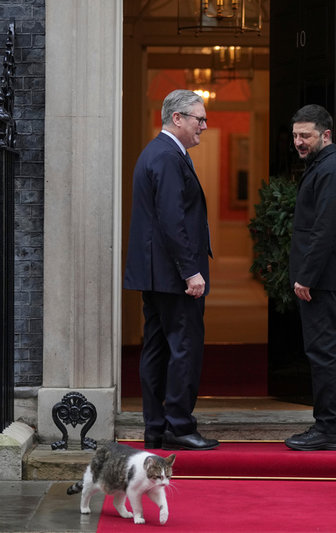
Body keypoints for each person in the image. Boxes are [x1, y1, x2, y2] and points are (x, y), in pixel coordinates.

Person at [123, 89, 218, 451]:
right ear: (177, 118)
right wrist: (191, 271)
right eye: (199, 118)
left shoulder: (160, 152)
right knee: (184, 347)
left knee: (157, 349)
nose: (204, 126)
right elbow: (171, 220)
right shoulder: (166, 156)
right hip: (173, 276)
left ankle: (156, 427)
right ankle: (178, 425)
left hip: (156, 274)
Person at [285, 104, 336, 451]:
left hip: (322, 281)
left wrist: (305, 277)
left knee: (324, 353)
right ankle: (324, 426)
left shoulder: (333, 171)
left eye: (306, 135)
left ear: (326, 135)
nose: (299, 141)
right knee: (321, 352)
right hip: (322, 279)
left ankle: (327, 429)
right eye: (296, 135)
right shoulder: (322, 167)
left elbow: (323, 230)